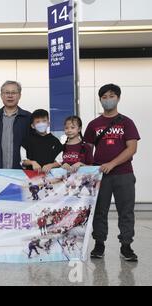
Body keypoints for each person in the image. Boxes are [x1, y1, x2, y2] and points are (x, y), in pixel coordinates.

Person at [84, 84, 140, 262]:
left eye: (112, 96)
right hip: (100, 175)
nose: (108, 99)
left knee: (126, 211)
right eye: (105, 96)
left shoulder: (126, 122)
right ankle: (99, 244)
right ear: (100, 100)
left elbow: (132, 148)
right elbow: (86, 149)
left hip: (124, 173)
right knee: (99, 211)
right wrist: (85, 166)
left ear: (118, 98)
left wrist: (112, 163)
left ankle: (126, 246)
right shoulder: (94, 124)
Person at [0, 81, 31, 169]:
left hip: (21, 171)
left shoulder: (28, 117)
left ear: (19, 95)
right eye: (7, 92)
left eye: (13, 93)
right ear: (1, 95)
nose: (10, 96)